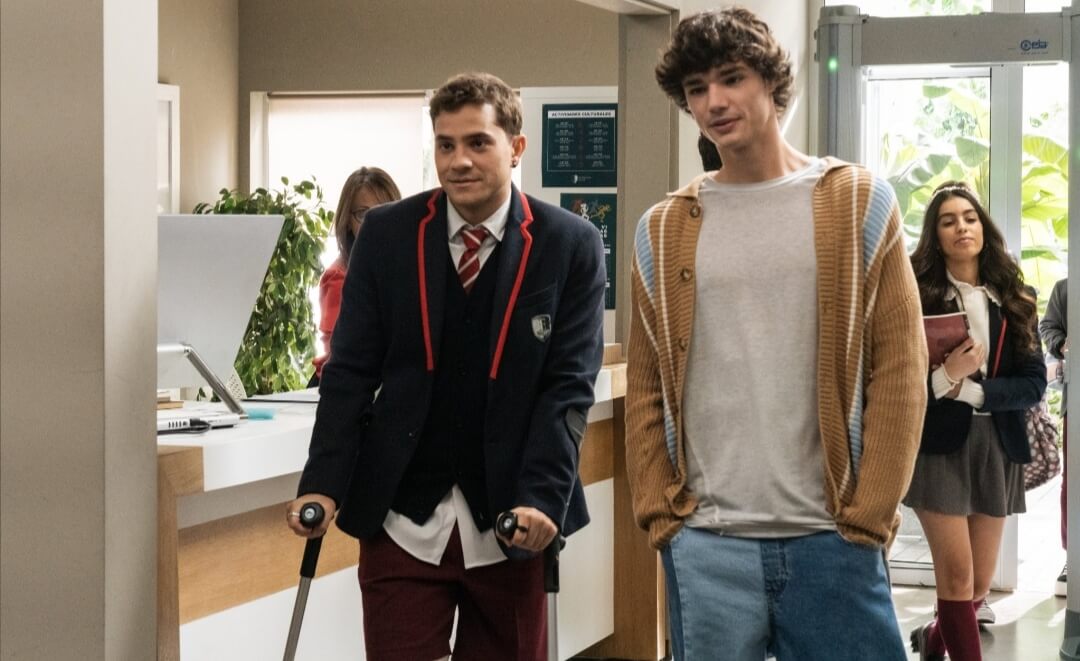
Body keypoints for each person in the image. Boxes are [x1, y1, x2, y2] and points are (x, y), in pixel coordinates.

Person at [624, 8, 928, 661]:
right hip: (707, 543)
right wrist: (661, 513)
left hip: (833, 537)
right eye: (697, 89)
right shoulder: (662, 228)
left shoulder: (857, 201)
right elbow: (647, 384)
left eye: (731, 79)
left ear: (771, 82)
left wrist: (871, 511)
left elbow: (900, 368)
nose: (714, 101)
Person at [286, 72, 606, 661]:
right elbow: (350, 373)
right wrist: (324, 483)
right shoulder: (387, 235)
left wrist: (543, 498)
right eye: (445, 144)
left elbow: (566, 391)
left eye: (478, 142)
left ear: (516, 147)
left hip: (512, 518)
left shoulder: (569, 244)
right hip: (401, 517)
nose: (459, 161)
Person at [905, 181, 1046, 661]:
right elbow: (893, 378)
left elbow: (1034, 383)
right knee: (957, 578)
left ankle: (932, 638)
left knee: (979, 585)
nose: (961, 227)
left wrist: (976, 390)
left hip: (997, 443)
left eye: (969, 218)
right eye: (948, 221)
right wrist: (947, 376)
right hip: (939, 445)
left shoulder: (1015, 296)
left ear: (983, 228)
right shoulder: (917, 297)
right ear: (936, 235)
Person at [310, 167, 401, 386]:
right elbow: (346, 356)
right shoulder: (338, 277)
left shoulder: (403, 270)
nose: (375, 223)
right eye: (363, 214)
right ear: (348, 222)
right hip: (341, 388)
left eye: (384, 210)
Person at [1040, 276, 1068, 597]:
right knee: (1073, 483)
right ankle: (1072, 558)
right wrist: (1063, 344)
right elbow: (1047, 327)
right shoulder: (1065, 287)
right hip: (1076, 401)